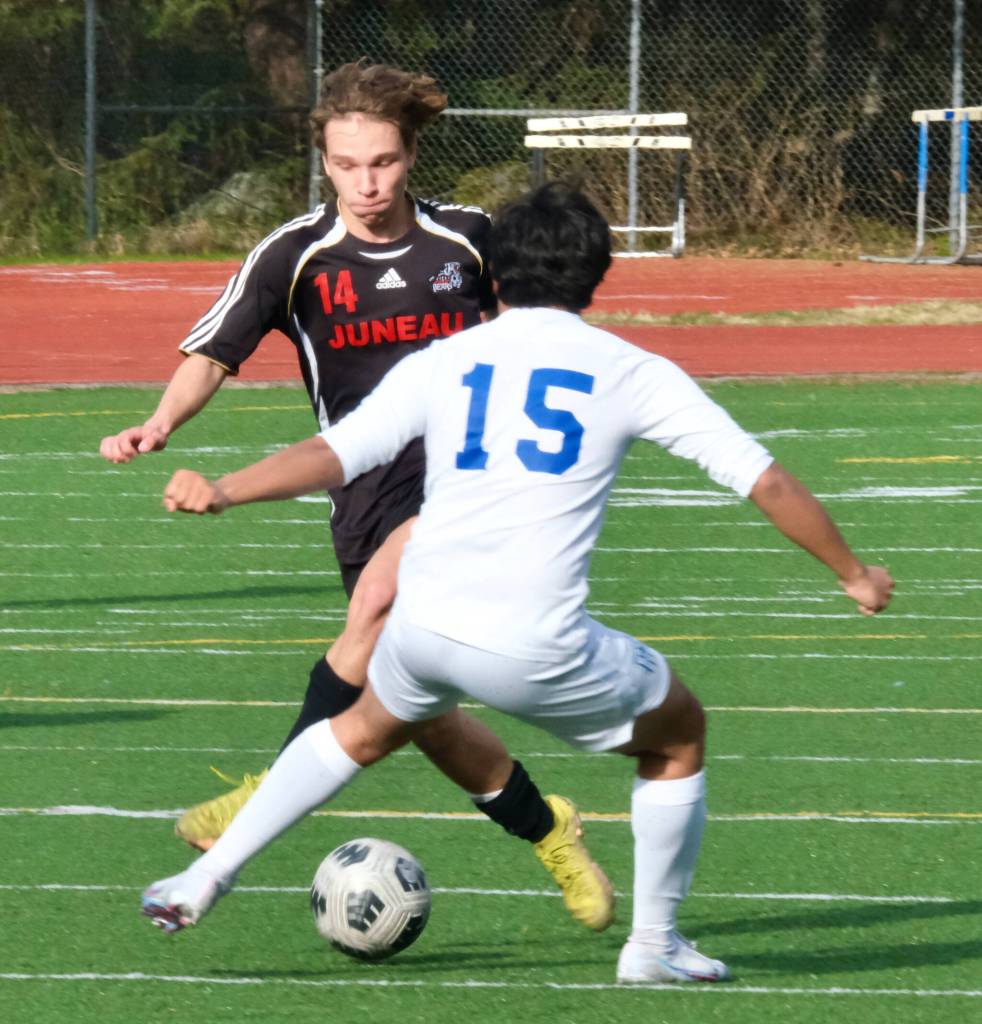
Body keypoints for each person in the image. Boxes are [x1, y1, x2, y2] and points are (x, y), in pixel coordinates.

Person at [140, 182, 894, 983]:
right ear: (598, 273)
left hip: (423, 626)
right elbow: (764, 481)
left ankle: (205, 874)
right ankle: (654, 947)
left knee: (359, 730)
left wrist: (226, 487)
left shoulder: (448, 358)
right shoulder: (631, 369)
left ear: (495, 273)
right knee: (678, 735)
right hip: (533, 639)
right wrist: (855, 573)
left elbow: (337, 452)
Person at [100, 61, 613, 932]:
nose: (366, 183)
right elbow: (213, 352)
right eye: (346, 165)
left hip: (469, 478)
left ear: (411, 154)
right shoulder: (294, 255)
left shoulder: (469, 239)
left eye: (382, 162)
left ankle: (265, 791)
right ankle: (549, 827)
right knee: (417, 711)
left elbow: (550, 327)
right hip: (360, 492)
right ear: (324, 163)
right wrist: (159, 424)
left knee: (376, 605)